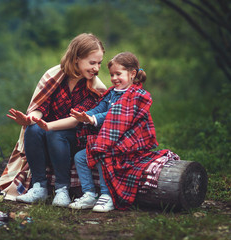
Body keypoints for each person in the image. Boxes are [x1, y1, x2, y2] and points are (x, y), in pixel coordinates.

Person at [35, 51, 180, 211]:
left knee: (103, 155)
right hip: (110, 140)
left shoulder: (138, 95)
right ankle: (89, 193)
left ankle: (107, 195)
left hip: (128, 143)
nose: (114, 78)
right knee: (80, 157)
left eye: (118, 74)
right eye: (112, 75)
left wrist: (93, 119)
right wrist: (86, 115)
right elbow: (100, 108)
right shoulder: (111, 93)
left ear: (132, 74)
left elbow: (117, 113)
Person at [0, 33, 107, 207]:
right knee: (32, 130)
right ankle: (39, 187)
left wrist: (48, 126)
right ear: (76, 58)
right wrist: (30, 119)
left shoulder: (94, 88)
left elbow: (75, 120)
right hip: (49, 130)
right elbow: (40, 107)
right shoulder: (54, 76)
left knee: (55, 134)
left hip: (77, 136)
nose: (96, 68)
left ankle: (62, 190)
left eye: (99, 63)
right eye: (92, 63)